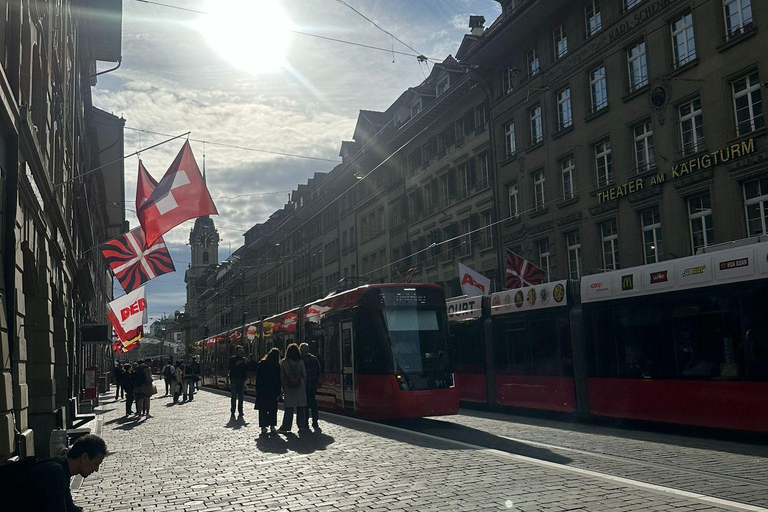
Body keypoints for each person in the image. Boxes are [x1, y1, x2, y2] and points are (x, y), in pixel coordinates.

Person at [6, 433, 107, 511]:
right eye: (96, 463)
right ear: (84, 457)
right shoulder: (56, 473)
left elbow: (69, 507)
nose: (96, 469)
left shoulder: (62, 468)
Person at [278, 343, 307, 433]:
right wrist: (303, 384)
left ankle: (286, 426)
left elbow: (282, 376)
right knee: (301, 407)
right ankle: (301, 426)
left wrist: (283, 387)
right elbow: (304, 374)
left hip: (289, 386)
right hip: (300, 386)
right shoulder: (300, 361)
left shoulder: (284, 362)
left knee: (289, 408)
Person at [255, 348, 281, 435]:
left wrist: (257, 389)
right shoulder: (277, 366)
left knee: (263, 409)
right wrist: (278, 392)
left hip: (263, 390)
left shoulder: (262, 364)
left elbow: (258, 378)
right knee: (273, 409)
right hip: (273, 391)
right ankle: (272, 426)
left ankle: (263, 427)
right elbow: (279, 380)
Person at [299, 342, 322, 431]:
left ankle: (305, 423)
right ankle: (315, 421)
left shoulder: (300, 360)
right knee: (313, 404)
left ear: (300, 350)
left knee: (304, 405)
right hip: (312, 385)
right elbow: (318, 370)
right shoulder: (314, 359)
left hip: (303, 386)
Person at [228, 345, 247, 418]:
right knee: (233, 396)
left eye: (241, 350)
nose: (241, 352)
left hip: (241, 379)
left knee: (241, 397)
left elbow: (246, 369)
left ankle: (240, 411)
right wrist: (236, 364)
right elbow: (229, 367)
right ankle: (233, 410)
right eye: (239, 351)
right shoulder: (232, 359)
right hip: (234, 379)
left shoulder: (243, 359)